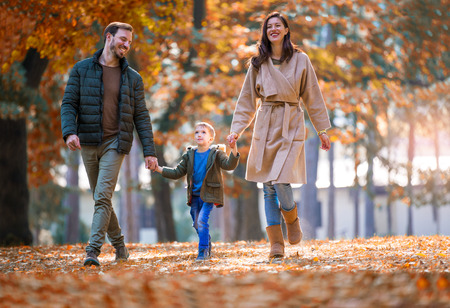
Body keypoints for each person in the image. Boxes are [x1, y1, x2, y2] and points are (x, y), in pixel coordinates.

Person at [226, 12, 331, 259]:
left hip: (291, 121)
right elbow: (246, 101)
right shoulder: (258, 62)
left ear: (286, 30)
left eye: (278, 25)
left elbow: (313, 96)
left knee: (282, 180)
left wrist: (322, 130)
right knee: (268, 187)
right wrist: (235, 131)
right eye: (269, 26)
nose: (273, 29)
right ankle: (276, 244)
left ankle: (291, 218)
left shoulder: (301, 60)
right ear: (265, 31)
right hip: (266, 123)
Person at [61, 22, 158, 266]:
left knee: (103, 195)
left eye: (129, 42)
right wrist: (69, 132)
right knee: (100, 198)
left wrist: (150, 152)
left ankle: (92, 251)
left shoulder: (133, 78)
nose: (126, 44)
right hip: (89, 141)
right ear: (109, 37)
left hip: (116, 142)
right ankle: (120, 247)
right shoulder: (82, 69)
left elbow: (141, 117)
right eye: (123, 39)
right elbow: (69, 104)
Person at [155, 122, 240, 261]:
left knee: (202, 221)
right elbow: (177, 172)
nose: (199, 134)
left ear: (211, 139)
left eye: (203, 132)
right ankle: (207, 243)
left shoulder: (216, 154)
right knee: (196, 223)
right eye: (197, 132)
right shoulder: (189, 155)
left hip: (209, 194)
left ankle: (203, 252)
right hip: (194, 195)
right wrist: (158, 168)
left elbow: (229, 165)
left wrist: (233, 149)